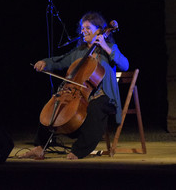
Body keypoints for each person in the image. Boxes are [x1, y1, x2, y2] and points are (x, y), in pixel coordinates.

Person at [21, 11, 129, 160]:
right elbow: (60, 60)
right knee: (56, 104)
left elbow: (125, 64)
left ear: (99, 30)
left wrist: (105, 46)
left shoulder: (109, 47)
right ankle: (39, 147)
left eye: (87, 28)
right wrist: (46, 63)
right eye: (82, 28)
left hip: (104, 96)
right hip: (81, 95)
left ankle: (79, 151)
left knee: (95, 107)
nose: (83, 31)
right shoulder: (80, 51)